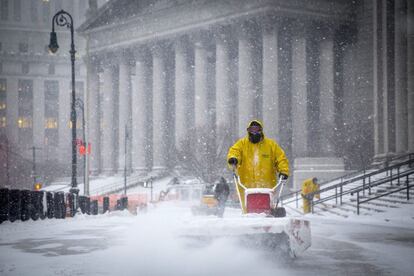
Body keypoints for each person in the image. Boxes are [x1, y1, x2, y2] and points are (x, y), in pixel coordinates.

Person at [227, 120, 289, 213]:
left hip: (267, 185)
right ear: (248, 131)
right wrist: (233, 159)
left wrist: (283, 171)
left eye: (257, 129)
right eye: (252, 130)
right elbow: (235, 151)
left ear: (261, 130)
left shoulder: (271, 145)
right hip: (246, 186)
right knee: (248, 209)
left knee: (267, 209)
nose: (254, 132)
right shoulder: (241, 144)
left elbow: (280, 158)